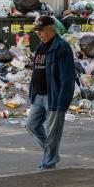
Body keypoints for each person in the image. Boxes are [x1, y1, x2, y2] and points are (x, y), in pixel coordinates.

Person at [27, 15, 76, 170]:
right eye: (37, 31)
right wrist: (32, 93)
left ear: (50, 28)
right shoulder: (41, 46)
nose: (38, 34)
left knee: (52, 132)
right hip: (38, 96)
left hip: (54, 98)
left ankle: (49, 163)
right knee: (32, 125)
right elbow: (37, 71)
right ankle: (52, 154)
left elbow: (67, 78)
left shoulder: (62, 47)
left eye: (41, 30)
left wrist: (62, 103)